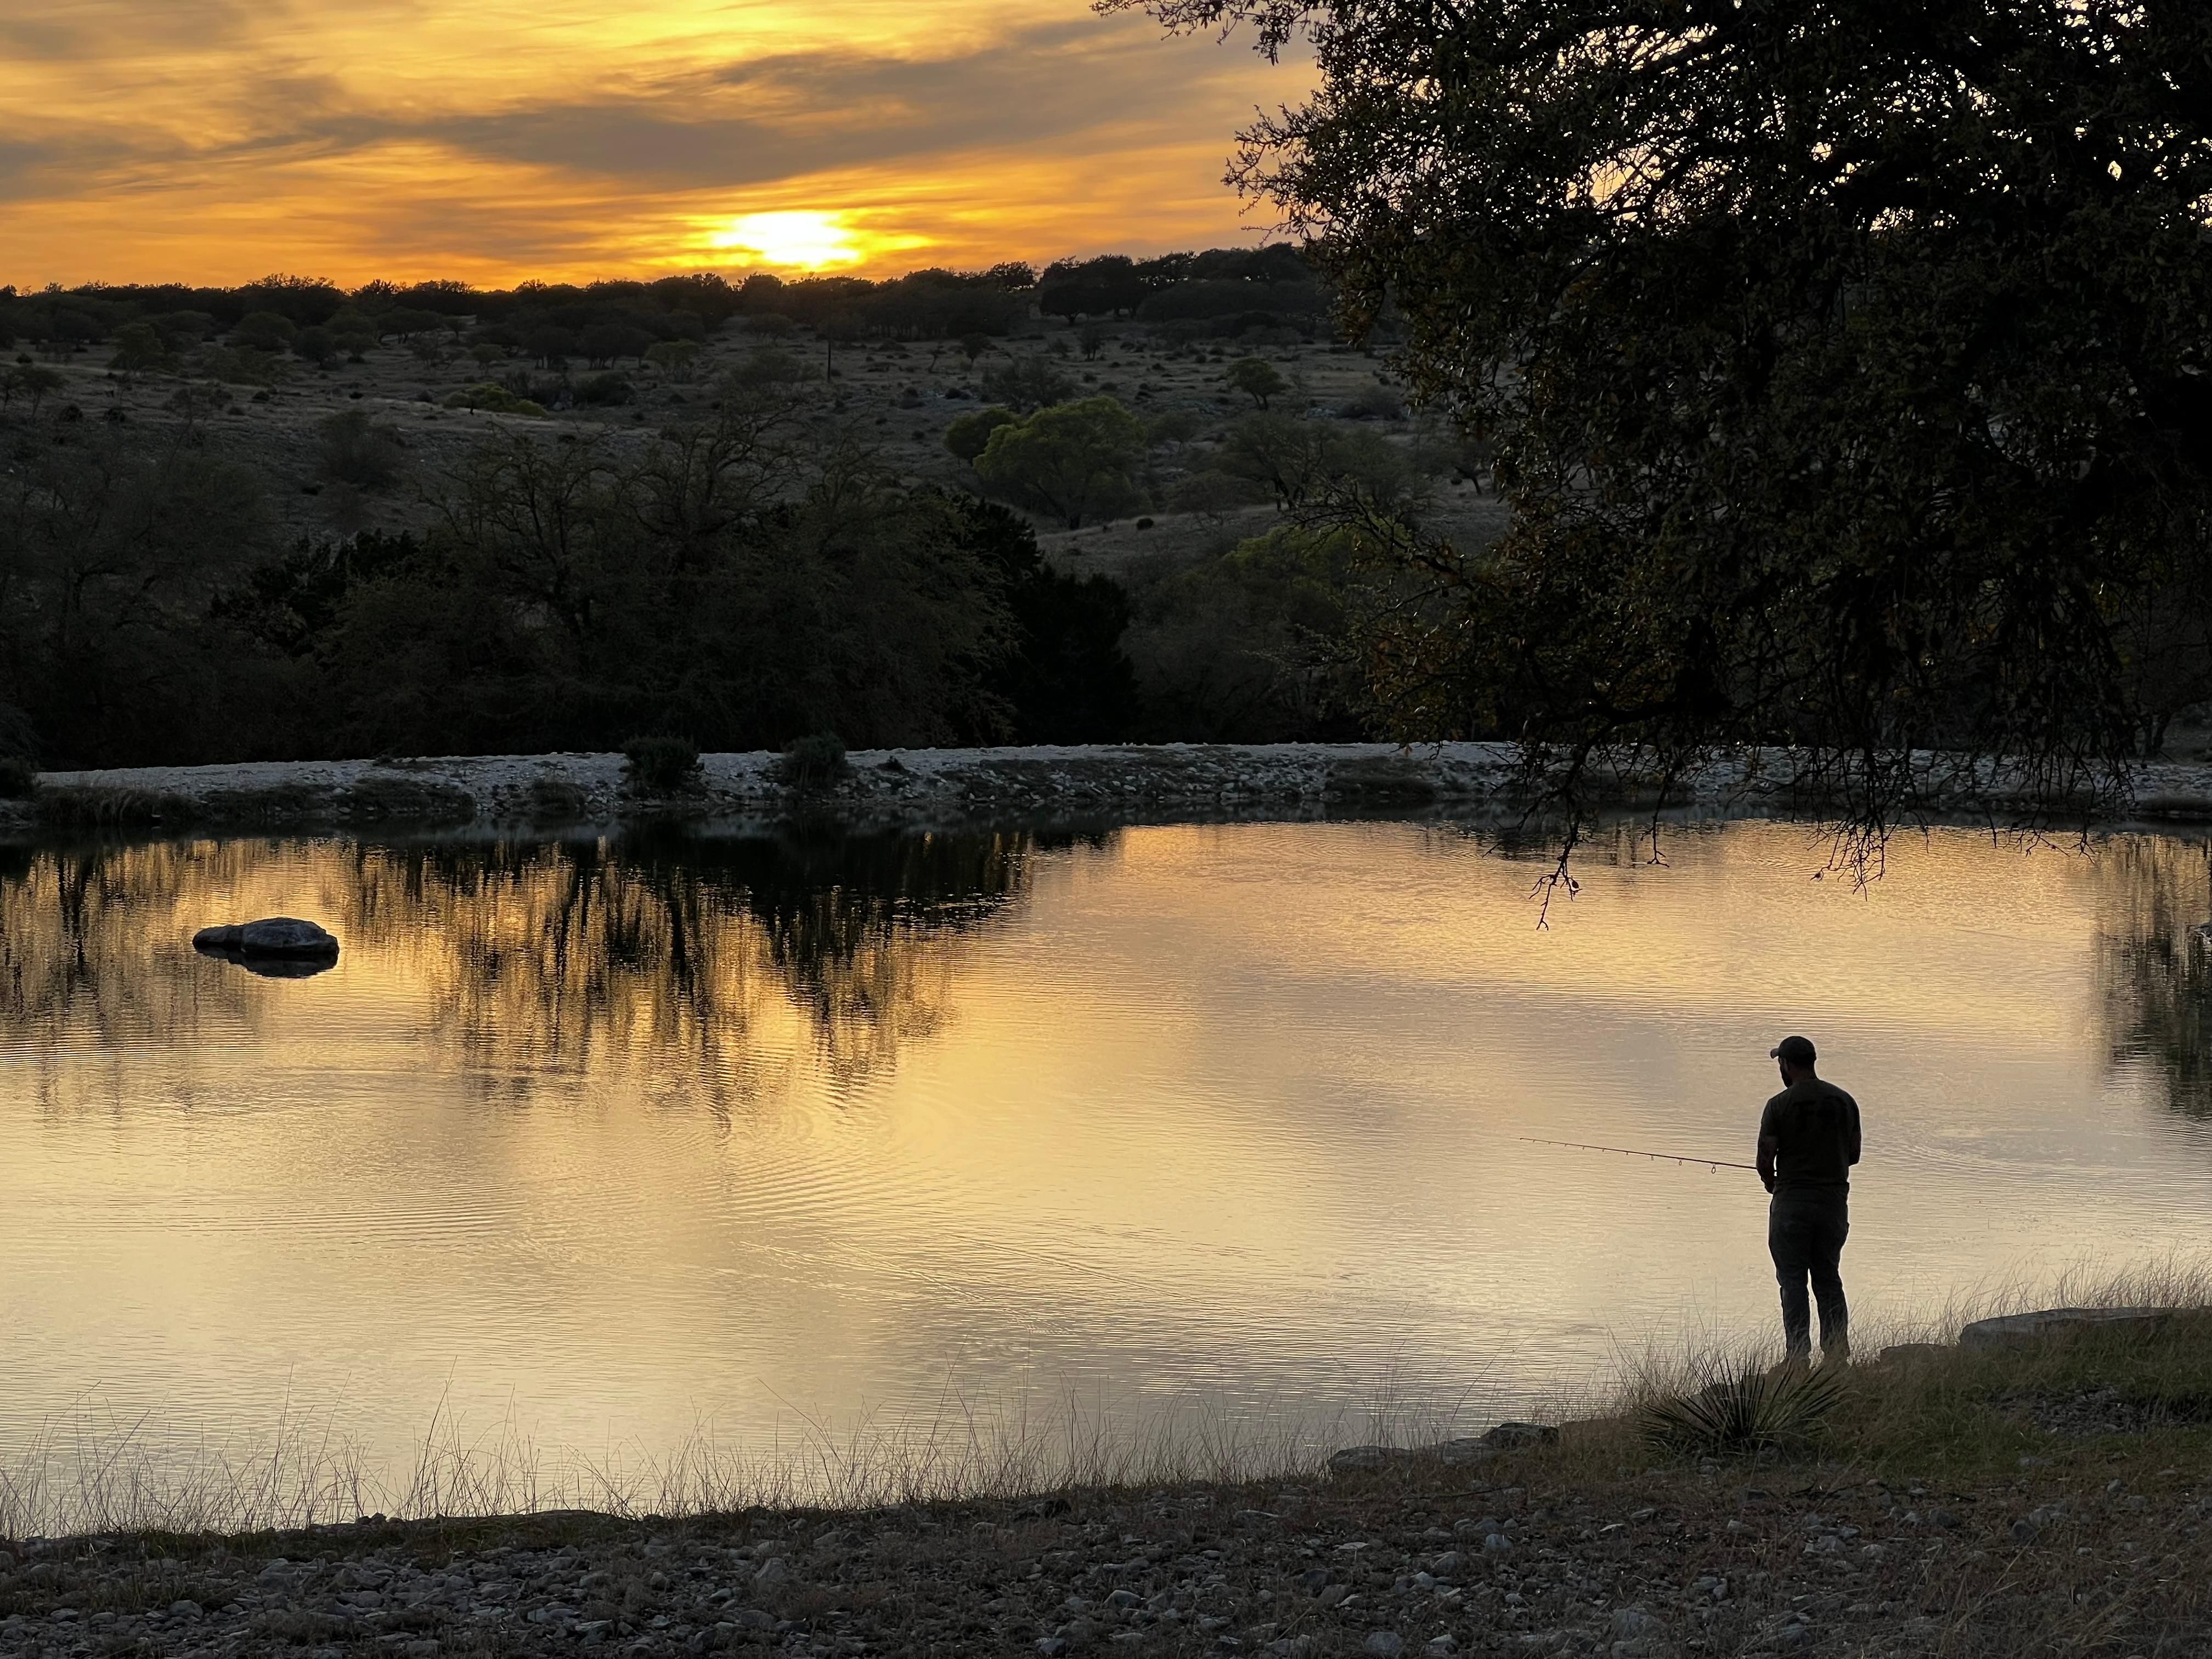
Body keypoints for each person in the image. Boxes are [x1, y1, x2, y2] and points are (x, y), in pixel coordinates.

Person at [1757, 1035, 1860, 1362]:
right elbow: (1854, 1155)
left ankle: (1798, 1356)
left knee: (1792, 1281)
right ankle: (1837, 1356)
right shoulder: (1845, 1101)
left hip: (1791, 1204)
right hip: (1832, 1204)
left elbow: (1765, 1157)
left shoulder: (1778, 1105)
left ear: (1786, 1065)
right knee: (1828, 1278)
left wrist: (1770, 1180)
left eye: (1780, 1064)